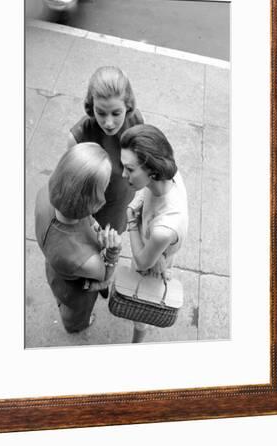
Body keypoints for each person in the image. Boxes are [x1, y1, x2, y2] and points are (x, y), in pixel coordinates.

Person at [35, 143, 122, 334]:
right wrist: (113, 251)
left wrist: (92, 223)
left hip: (55, 269)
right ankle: (77, 325)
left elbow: (79, 211)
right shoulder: (85, 259)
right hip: (75, 290)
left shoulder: (45, 194)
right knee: (75, 313)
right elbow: (105, 276)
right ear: (92, 201)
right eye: (105, 186)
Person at [120, 124, 188, 343]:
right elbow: (146, 190)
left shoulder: (164, 228)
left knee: (141, 309)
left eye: (130, 170)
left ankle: (135, 346)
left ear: (153, 171)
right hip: (156, 252)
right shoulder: (170, 174)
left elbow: (141, 262)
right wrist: (139, 201)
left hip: (151, 263)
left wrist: (131, 220)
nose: (123, 174)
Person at [68, 66, 144, 234]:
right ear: (91, 106)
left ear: (128, 106)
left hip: (122, 208)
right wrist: (91, 225)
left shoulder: (137, 121)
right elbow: (74, 192)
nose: (109, 123)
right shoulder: (78, 138)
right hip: (93, 221)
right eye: (101, 113)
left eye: (116, 113)